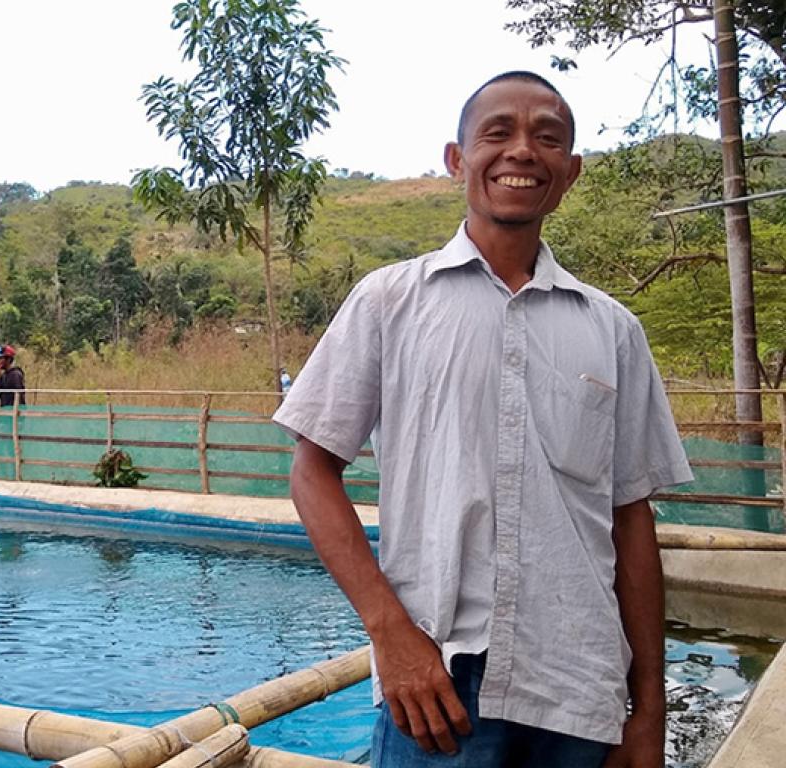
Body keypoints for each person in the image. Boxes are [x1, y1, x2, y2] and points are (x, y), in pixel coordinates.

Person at [274, 71, 692, 768]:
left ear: (571, 173)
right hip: (438, 681)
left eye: (547, 138)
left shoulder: (614, 330)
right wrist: (391, 634)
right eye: (497, 133)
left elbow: (630, 518)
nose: (522, 151)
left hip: (579, 686)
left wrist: (648, 712)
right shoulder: (388, 303)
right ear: (457, 159)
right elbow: (313, 474)